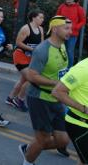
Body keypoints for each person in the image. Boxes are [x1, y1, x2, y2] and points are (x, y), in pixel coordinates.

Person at [20, 16, 71, 165]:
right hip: (40, 98)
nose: (71, 31)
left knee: (63, 140)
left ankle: (29, 149)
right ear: (55, 29)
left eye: (71, 28)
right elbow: (31, 76)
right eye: (66, 28)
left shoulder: (62, 46)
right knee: (43, 139)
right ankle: (28, 161)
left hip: (56, 99)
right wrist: (56, 83)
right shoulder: (42, 50)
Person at [7, 10, 45, 112]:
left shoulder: (41, 29)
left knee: (23, 80)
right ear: (34, 18)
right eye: (40, 17)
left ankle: (10, 98)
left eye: (43, 18)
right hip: (20, 56)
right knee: (32, 79)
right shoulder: (26, 28)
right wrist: (32, 49)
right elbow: (18, 43)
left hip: (31, 58)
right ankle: (19, 100)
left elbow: (41, 45)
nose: (42, 19)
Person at [57, 0, 86, 68]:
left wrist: (75, 27)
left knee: (69, 51)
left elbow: (83, 21)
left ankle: (69, 69)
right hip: (61, 33)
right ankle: (60, 67)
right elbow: (57, 18)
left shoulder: (79, 8)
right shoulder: (62, 6)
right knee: (60, 50)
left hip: (72, 34)